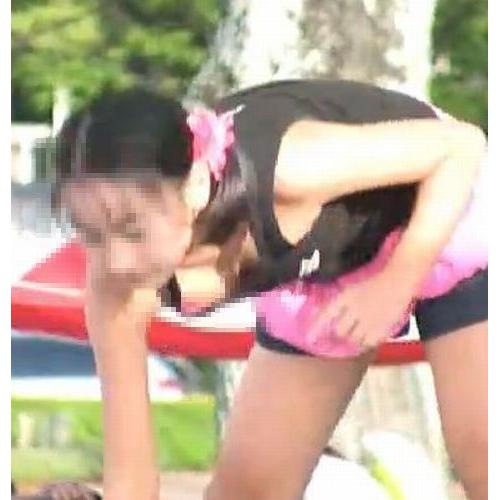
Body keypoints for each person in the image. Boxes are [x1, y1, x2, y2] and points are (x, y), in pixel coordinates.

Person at [52, 79, 487, 500]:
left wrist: (395, 283)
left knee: (484, 458)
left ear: (195, 184)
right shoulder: (115, 287)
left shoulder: (292, 165)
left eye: (133, 231)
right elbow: (130, 482)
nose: (116, 260)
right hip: (327, 266)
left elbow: (461, 146)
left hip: (445, 202)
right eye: (91, 234)